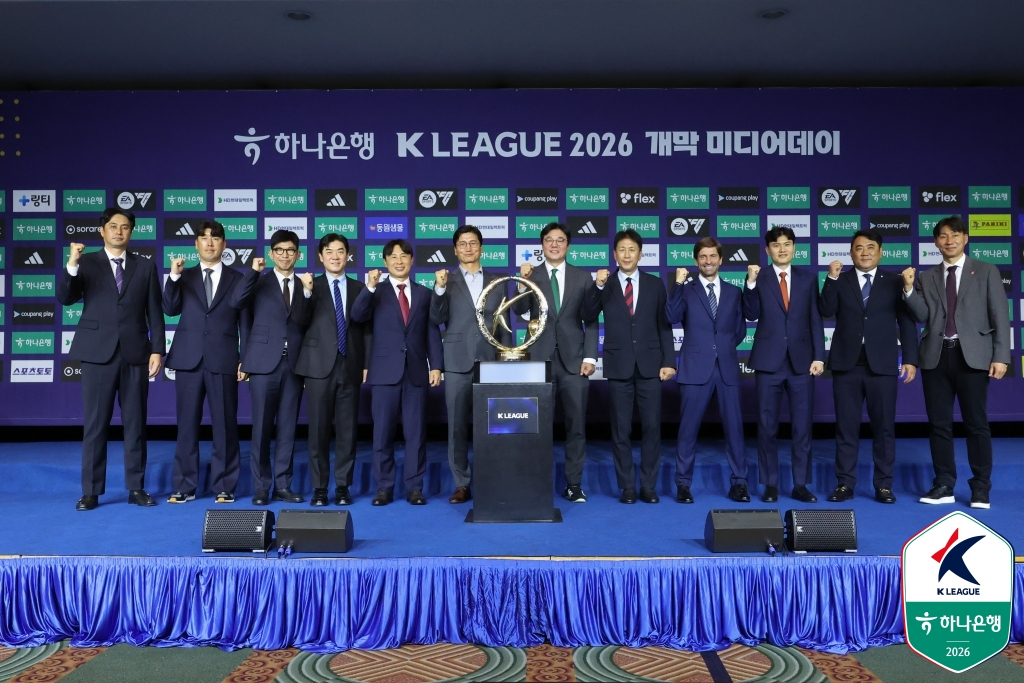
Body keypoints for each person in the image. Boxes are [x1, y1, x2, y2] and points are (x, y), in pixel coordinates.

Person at [57, 207, 164, 511]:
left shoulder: (145, 267)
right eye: (114, 226)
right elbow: (65, 297)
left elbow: (154, 311)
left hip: (135, 354)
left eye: (126, 227)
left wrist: (157, 349)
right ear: (101, 231)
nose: (119, 231)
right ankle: (91, 491)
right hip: (97, 353)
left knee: (136, 424)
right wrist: (73, 264)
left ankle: (136, 486)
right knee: (95, 425)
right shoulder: (86, 263)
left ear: (131, 232)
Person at [903, 216, 1010, 509]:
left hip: (972, 356)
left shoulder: (986, 271)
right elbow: (921, 315)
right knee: (939, 425)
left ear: (965, 238)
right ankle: (944, 484)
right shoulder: (927, 276)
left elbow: (1000, 315)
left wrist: (1001, 355)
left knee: (977, 424)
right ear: (936, 242)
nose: (949, 240)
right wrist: (910, 290)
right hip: (935, 357)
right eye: (942, 236)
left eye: (955, 235)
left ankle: (980, 488)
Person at [819, 229, 920, 504]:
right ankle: (844, 484)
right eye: (859, 248)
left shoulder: (895, 281)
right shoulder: (840, 279)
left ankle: (884, 485)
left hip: (883, 365)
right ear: (851, 253)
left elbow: (908, 322)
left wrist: (910, 358)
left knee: (884, 428)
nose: (865, 252)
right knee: (846, 428)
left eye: (870, 247)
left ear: (880, 251)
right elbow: (826, 310)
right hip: (846, 365)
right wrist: (830, 278)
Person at [585, 229, 676, 504]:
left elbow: (664, 326)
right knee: (620, 430)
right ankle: (627, 486)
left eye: (632, 250)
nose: (626, 255)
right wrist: (597, 286)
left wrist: (669, 361)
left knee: (651, 428)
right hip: (619, 365)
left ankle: (648, 485)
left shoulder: (654, 283)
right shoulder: (606, 283)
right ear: (615, 254)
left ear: (640, 253)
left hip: (650, 365)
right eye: (621, 250)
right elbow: (587, 315)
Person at [163, 220, 250, 504]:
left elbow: (246, 323)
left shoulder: (238, 279)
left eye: (216, 238)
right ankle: (184, 486)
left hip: (224, 358)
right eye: (204, 238)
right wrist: (173, 277)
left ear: (224, 245)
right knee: (186, 425)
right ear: (196, 244)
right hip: (188, 359)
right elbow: (170, 308)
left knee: (225, 426)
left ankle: (225, 485)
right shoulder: (183, 276)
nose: (210, 243)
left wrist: (245, 358)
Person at [351, 239, 443, 506]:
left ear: (412, 260)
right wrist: (368, 287)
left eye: (404, 256)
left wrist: (435, 365)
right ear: (385, 261)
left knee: (415, 434)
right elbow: (357, 316)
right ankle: (384, 487)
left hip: (415, 373)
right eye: (393, 256)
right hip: (383, 372)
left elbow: (431, 332)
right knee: (382, 434)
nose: (399, 261)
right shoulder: (375, 291)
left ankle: (415, 488)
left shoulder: (424, 294)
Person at [512, 222, 599, 503]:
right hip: (539, 360)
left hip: (575, 363)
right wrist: (520, 281)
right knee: (536, 426)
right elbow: (520, 311)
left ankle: (573, 484)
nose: (554, 244)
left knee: (576, 427)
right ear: (542, 245)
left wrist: (589, 356)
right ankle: (536, 483)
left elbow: (591, 321)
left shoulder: (583, 277)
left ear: (568, 245)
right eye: (549, 240)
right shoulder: (531, 275)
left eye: (560, 240)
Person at [741, 226, 824, 504]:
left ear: (794, 247)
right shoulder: (759, 277)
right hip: (768, 362)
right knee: (767, 427)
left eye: (787, 244)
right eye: (776, 245)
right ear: (767, 250)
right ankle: (770, 484)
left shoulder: (808, 278)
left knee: (802, 427)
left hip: (802, 362)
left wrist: (819, 355)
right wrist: (750, 283)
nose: (782, 249)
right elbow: (751, 314)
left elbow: (815, 318)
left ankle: (800, 484)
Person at [429, 225, 512, 504]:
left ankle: (491, 479)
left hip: (490, 362)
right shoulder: (446, 282)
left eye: (473, 243)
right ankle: (461, 483)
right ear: (455, 250)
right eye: (462, 244)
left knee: (492, 426)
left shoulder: (498, 281)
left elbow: (505, 327)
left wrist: (505, 360)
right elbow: (436, 318)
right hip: (457, 363)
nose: (468, 248)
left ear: (481, 247)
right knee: (457, 428)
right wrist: (439, 290)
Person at [665, 237, 749, 504]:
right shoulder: (686, 290)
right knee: (688, 430)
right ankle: (683, 484)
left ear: (721, 260)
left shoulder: (734, 292)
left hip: (726, 368)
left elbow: (740, 330)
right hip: (694, 368)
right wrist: (677, 284)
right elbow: (670, 316)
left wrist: (720, 347)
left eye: (713, 256)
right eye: (703, 257)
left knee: (734, 429)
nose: (708, 261)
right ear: (696, 261)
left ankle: (739, 483)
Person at [230, 229, 310, 506]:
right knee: (262, 428)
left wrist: (309, 292)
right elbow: (236, 302)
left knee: (288, 429)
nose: (285, 255)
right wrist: (252, 273)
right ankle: (262, 486)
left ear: (298, 254)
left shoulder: (306, 284)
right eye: (280, 250)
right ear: (271, 253)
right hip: (263, 363)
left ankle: (283, 485)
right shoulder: (258, 282)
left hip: (295, 365)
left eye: (290, 250)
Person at [292, 234, 371, 506]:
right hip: (317, 368)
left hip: (349, 365)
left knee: (347, 432)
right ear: (320, 256)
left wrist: (366, 363)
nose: (335, 256)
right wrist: (305, 292)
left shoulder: (360, 288)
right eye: (329, 252)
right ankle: (319, 488)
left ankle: (342, 487)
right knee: (318, 432)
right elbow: (299, 321)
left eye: (340, 251)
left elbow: (366, 331)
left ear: (347, 255)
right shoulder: (309, 285)